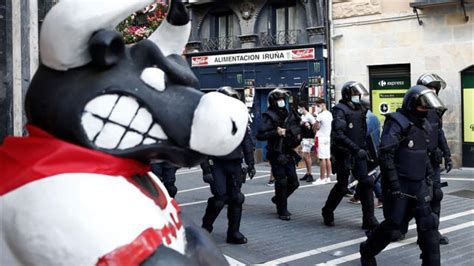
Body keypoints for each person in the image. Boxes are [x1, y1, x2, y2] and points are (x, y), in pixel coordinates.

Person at [360, 85, 446, 266]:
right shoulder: (396, 122)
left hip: (419, 184)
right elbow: (386, 155)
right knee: (393, 228)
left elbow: (424, 155)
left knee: (429, 227)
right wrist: (394, 185)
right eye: (423, 106)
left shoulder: (424, 124)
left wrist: (430, 179)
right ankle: (367, 251)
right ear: (412, 104)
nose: (426, 110)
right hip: (400, 186)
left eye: (427, 107)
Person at [398, 73, 453, 245]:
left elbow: (439, 133)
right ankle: (399, 228)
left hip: (433, 164)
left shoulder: (436, 111)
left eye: (435, 90)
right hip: (417, 163)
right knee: (414, 198)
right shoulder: (412, 111)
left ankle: (432, 233)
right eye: (430, 89)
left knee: (435, 196)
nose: (433, 93)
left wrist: (447, 154)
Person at [201, 86, 256, 245]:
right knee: (219, 199)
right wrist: (206, 169)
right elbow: (202, 145)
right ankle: (205, 227)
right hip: (217, 163)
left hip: (235, 164)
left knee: (237, 198)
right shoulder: (209, 121)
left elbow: (246, 141)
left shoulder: (239, 119)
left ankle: (233, 232)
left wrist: (250, 163)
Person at [321, 81, 379, 230]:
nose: (357, 96)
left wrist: (366, 150)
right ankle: (327, 211)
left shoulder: (361, 109)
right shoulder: (340, 110)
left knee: (366, 183)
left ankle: (369, 219)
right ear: (347, 94)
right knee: (342, 186)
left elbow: (362, 132)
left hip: (358, 152)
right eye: (354, 94)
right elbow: (339, 134)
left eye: (358, 94)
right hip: (344, 153)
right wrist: (355, 148)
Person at [257, 88, 302, 221]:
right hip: (276, 152)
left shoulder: (288, 113)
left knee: (294, 182)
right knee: (281, 181)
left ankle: (278, 199)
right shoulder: (268, 116)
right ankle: (282, 209)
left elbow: (295, 129)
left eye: (283, 99)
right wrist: (276, 133)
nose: (282, 102)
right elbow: (260, 135)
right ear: (273, 101)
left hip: (288, 151)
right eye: (279, 99)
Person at [313, 97, 333, 185]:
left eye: (318, 105)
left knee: (322, 159)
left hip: (321, 137)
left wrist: (315, 123)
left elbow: (315, 127)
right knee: (328, 158)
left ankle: (322, 178)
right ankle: (328, 177)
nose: (317, 107)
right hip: (328, 137)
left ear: (322, 105)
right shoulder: (329, 114)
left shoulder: (320, 115)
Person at [297, 102, 317, 182]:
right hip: (304, 138)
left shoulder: (309, 116)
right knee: (304, 156)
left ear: (303, 107)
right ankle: (307, 172)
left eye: (299, 108)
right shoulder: (303, 116)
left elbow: (314, 126)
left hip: (309, 138)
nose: (299, 109)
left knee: (306, 155)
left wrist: (315, 137)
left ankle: (310, 174)